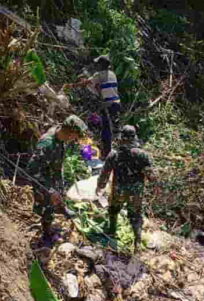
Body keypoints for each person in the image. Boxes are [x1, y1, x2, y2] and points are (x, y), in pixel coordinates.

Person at [27, 115, 87, 247]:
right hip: (43, 181)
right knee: (47, 206)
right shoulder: (47, 143)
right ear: (70, 132)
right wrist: (49, 190)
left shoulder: (60, 137)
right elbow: (31, 170)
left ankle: (61, 208)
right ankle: (46, 233)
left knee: (59, 194)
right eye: (75, 135)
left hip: (53, 175)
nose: (75, 139)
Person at [96, 125, 154, 253]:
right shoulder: (142, 155)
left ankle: (111, 233)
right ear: (134, 138)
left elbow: (105, 173)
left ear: (122, 138)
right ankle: (137, 242)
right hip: (136, 193)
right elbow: (152, 176)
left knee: (113, 210)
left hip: (118, 190)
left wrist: (100, 186)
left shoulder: (114, 154)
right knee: (136, 216)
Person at [78, 55, 121, 159]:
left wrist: (78, 82)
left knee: (106, 129)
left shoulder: (99, 74)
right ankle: (108, 149)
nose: (96, 66)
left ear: (102, 65)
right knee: (110, 127)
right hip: (116, 103)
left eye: (98, 64)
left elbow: (87, 83)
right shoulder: (112, 74)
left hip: (107, 104)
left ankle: (106, 153)